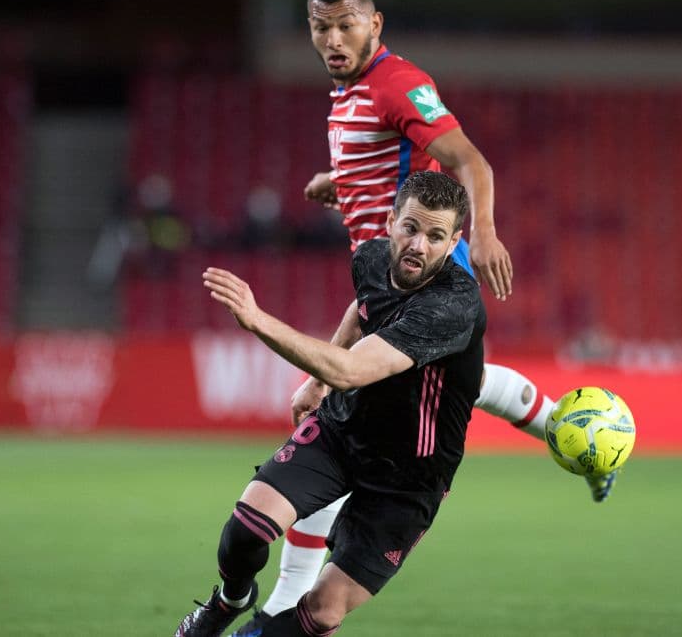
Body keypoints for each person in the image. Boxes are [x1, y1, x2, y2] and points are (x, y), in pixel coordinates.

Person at [230, 0, 617, 636]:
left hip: (426, 279)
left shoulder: (397, 82)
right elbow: (390, 159)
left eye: (346, 23)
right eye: (320, 27)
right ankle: (571, 436)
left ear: (375, 24)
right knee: (382, 403)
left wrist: (485, 231)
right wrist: (343, 181)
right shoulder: (349, 93)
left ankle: (276, 606)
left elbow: (469, 161)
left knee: (354, 408)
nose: (332, 37)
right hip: (380, 281)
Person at [174, 171, 486, 636]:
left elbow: (349, 371)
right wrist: (316, 387)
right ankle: (227, 601)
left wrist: (259, 322)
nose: (419, 245)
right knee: (245, 530)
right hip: (344, 431)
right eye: (411, 228)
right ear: (390, 222)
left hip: (408, 478)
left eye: (436, 236)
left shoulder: (452, 306)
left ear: (454, 240)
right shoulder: (371, 258)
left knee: (323, 611)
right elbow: (363, 309)